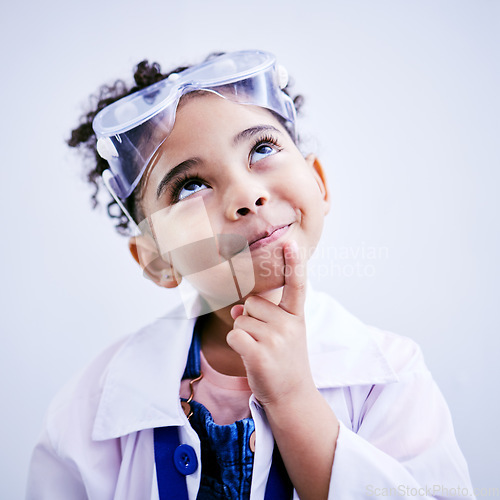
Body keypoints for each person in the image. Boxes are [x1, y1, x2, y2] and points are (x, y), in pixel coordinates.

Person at [27, 50, 475, 499]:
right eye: (191, 186)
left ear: (318, 184)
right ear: (157, 259)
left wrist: (294, 399)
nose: (246, 195)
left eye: (262, 149)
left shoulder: (390, 377)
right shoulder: (91, 406)